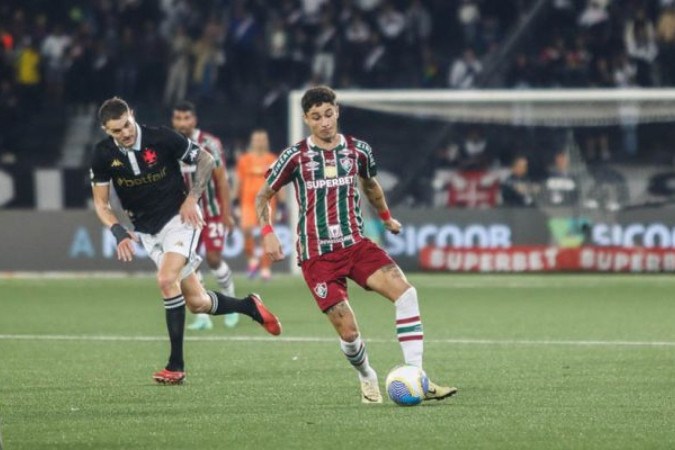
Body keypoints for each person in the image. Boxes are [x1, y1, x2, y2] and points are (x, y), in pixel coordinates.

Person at [256, 86, 456, 403]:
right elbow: (263, 195)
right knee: (349, 334)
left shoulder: (358, 150)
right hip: (317, 256)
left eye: (329, 113)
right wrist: (267, 230)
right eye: (316, 117)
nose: (324, 122)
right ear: (307, 119)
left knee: (407, 294)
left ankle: (417, 377)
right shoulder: (295, 156)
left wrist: (386, 217)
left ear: (338, 111)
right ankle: (367, 375)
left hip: (356, 246)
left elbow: (370, 184)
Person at [90, 97, 281, 385]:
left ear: (133, 115)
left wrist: (192, 199)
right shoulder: (102, 155)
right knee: (198, 302)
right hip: (146, 230)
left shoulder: (162, 137)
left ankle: (175, 366)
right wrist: (118, 231)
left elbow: (206, 158)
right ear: (106, 130)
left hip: (181, 220)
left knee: (167, 280)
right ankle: (249, 306)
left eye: (127, 125)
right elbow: (102, 204)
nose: (126, 133)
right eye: (117, 131)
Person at [172, 101, 238, 330]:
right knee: (189, 263)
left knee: (213, 258)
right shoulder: (170, 144)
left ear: (194, 120)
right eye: (178, 118)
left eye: (186, 118)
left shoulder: (209, 143)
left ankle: (231, 300)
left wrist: (227, 214)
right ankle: (202, 316)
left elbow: (221, 180)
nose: (182, 123)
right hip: (186, 216)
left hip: (212, 212)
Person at [235, 129, 280, 280]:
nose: (260, 142)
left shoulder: (273, 159)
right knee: (246, 230)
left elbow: (279, 181)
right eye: (257, 139)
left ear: (266, 141)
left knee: (266, 233)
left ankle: (265, 269)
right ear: (252, 142)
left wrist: (284, 204)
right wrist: (235, 202)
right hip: (247, 201)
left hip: (268, 200)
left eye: (263, 139)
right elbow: (238, 181)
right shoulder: (244, 160)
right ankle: (252, 260)